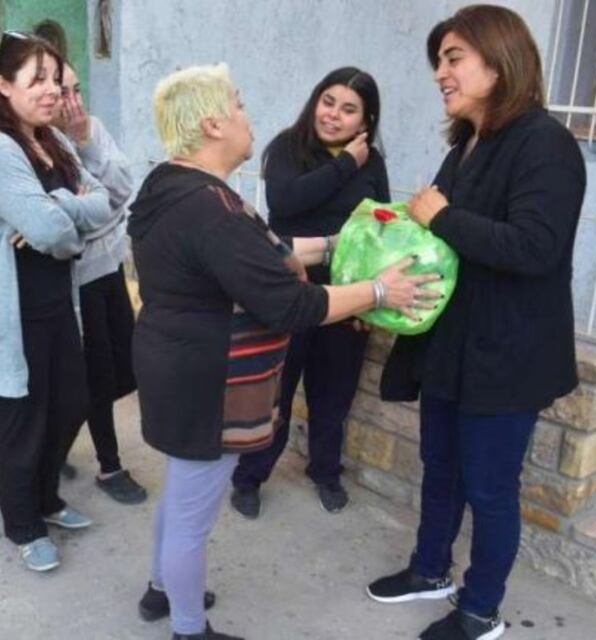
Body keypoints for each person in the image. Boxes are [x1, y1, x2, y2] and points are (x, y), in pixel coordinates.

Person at [128, 63, 440, 640]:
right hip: (205, 380)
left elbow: (263, 248)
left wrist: (338, 244)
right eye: (240, 105)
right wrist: (378, 291)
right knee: (192, 518)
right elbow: (293, 306)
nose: (250, 116)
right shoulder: (207, 208)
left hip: (177, 364)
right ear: (213, 123)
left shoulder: (175, 185)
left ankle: (162, 590)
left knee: (182, 495)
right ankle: (188, 629)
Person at [365, 6, 586, 640]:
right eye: (438, 60)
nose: (441, 72)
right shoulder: (467, 143)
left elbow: (535, 248)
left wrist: (438, 217)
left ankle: (480, 609)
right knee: (440, 468)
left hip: (507, 354)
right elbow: (444, 238)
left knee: (490, 491)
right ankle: (429, 569)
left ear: (499, 60)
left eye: (453, 57)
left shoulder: (546, 144)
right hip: (452, 344)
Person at [0, 31, 113, 572]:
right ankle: (23, 526)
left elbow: (108, 204)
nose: (51, 91)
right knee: (22, 426)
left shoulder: (55, 141)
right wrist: (64, 218)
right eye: (37, 79)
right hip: (10, 313)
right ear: (2, 85)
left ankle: (47, 500)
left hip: (54, 305)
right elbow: (53, 233)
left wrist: (59, 206)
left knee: (69, 405)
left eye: (56, 79)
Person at [230, 67, 390, 517]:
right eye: (328, 101)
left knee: (333, 396)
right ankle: (250, 476)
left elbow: (376, 226)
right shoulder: (288, 147)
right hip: (289, 293)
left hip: (346, 297)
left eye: (349, 109)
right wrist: (345, 165)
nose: (334, 115)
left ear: (366, 120)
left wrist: (369, 300)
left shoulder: (372, 162)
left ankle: (325, 471)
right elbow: (285, 204)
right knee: (277, 395)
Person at [47, 56, 148, 504]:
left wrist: (87, 142)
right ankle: (106, 465)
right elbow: (66, 223)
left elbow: (123, 191)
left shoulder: (90, 129)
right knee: (87, 377)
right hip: (72, 281)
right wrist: (98, 210)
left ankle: (80, 461)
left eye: (76, 89)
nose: (71, 102)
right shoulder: (36, 144)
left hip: (108, 268)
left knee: (116, 368)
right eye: (60, 91)